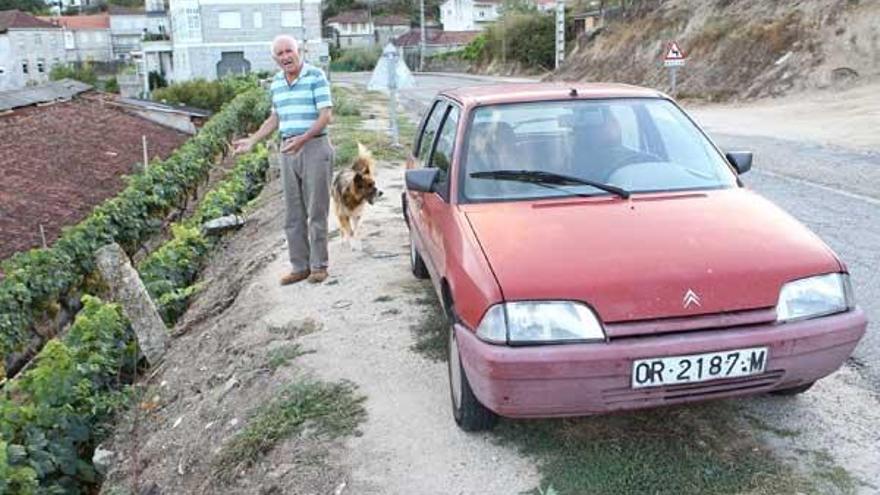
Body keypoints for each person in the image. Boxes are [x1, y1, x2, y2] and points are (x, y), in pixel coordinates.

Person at [234, 35, 334, 285]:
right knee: (293, 212)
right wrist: (253, 140)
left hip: (314, 146)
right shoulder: (277, 83)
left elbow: (325, 115)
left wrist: (303, 138)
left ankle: (318, 265)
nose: (285, 57)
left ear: (298, 51)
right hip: (288, 149)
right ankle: (299, 266)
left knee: (316, 209)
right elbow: (275, 118)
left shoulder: (315, 76)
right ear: (274, 59)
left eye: (289, 51)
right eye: (280, 54)